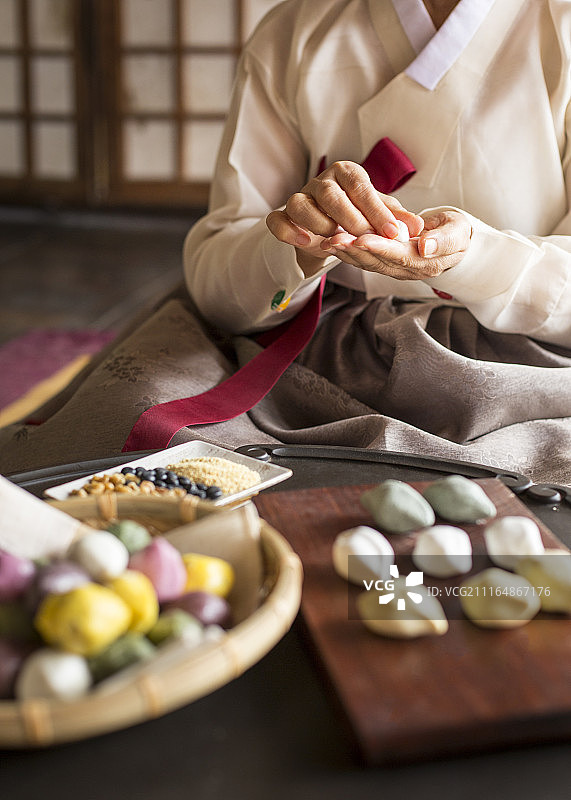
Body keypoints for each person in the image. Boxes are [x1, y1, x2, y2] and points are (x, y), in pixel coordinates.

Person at [1, 0, 571, 484]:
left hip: (508, 361)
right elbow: (219, 261)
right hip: (312, 339)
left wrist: (476, 258)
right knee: (128, 439)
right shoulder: (297, 30)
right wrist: (296, 244)